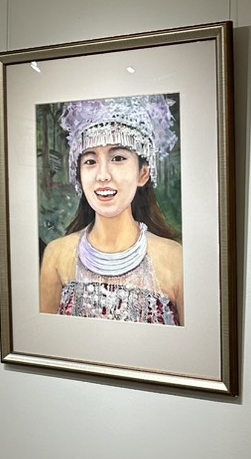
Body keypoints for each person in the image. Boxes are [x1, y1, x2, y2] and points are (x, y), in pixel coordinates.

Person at [39, 94, 183, 325]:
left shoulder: (174, 258)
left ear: (143, 174)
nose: (103, 175)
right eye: (90, 161)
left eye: (117, 158)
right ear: (78, 175)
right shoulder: (57, 255)